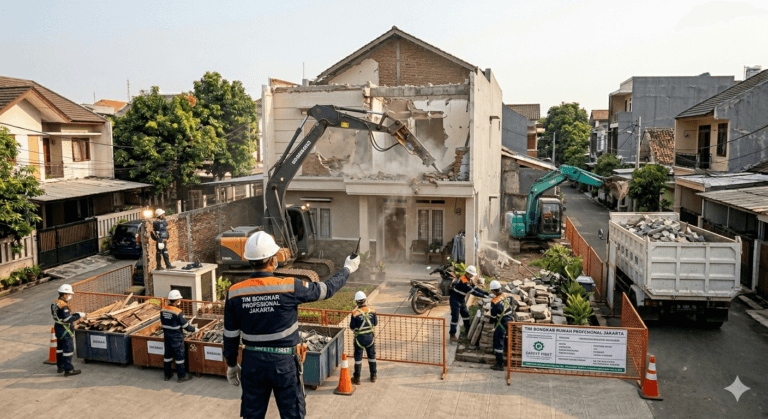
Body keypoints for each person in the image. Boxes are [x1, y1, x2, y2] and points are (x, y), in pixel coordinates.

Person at [223, 231, 360, 419]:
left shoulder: (234, 293)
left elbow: (230, 335)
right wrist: (347, 269)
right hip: (284, 363)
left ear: (249, 260)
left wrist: (231, 364)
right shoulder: (289, 286)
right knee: (292, 414)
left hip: (252, 363)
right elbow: (326, 290)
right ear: (272, 260)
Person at [161, 290, 197, 382]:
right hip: (176, 337)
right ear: (176, 301)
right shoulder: (178, 312)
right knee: (179, 356)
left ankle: (167, 375)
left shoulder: (163, 310)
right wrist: (195, 330)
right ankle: (181, 376)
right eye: (179, 299)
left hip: (167, 336)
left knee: (167, 356)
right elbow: (186, 326)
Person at [449, 265, 489, 343]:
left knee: (466, 315)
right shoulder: (463, 281)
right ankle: (452, 335)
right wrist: (484, 296)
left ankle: (468, 329)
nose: (473, 276)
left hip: (461, 299)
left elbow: (475, 288)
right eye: (472, 275)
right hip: (455, 300)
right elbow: (473, 292)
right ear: (468, 274)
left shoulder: (469, 280)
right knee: (455, 318)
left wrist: (485, 292)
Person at [52, 284, 85, 376]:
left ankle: (60, 366)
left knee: (60, 349)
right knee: (68, 350)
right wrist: (78, 315)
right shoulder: (64, 306)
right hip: (65, 330)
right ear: (65, 294)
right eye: (69, 294)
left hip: (58, 328)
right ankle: (68, 369)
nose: (70, 296)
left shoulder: (57, 302)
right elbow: (68, 319)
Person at [349, 291, 378, 384]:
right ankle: (373, 376)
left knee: (358, 358)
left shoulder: (355, 313)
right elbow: (375, 323)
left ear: (356, 302)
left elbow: (352, 327)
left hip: (359, 340)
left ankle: (357, 378)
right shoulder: (372, 311)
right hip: (370, 338)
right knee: (372, 356)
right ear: (365, 300)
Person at [488, 280, 514, 371]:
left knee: (498, 342)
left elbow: (493, 316)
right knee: (507, 340)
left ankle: (499, 364)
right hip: (510, 321)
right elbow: (512, 307)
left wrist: (491, 324)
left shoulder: (494, 301)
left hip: (501, 323)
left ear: (493, 291)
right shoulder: (508, 296)